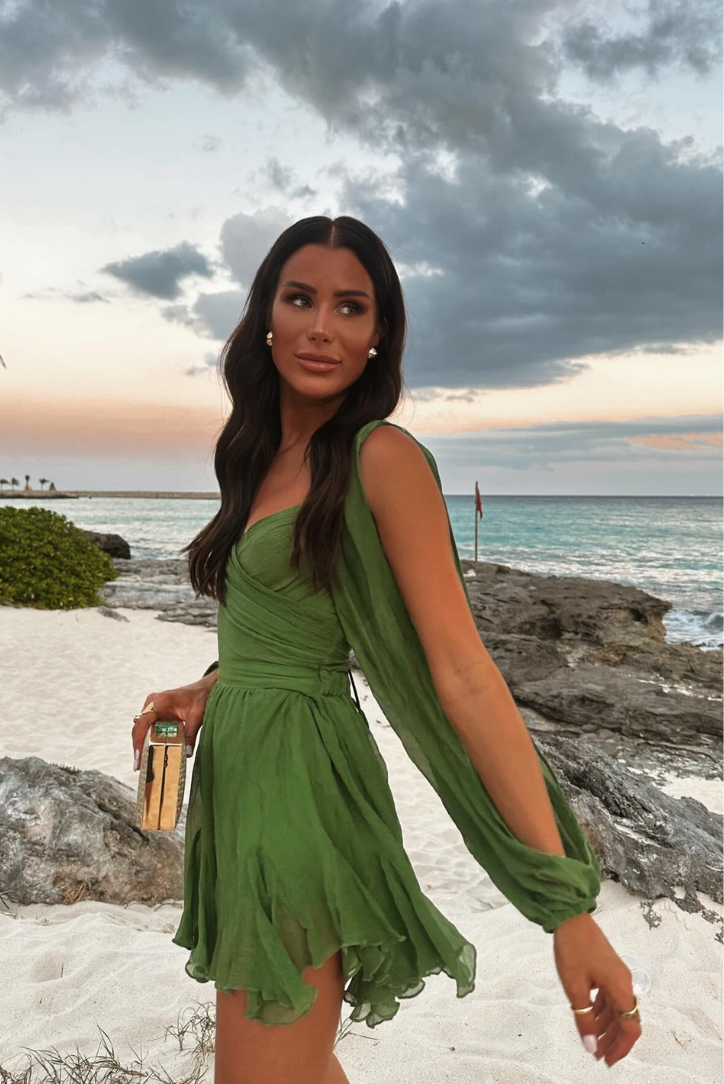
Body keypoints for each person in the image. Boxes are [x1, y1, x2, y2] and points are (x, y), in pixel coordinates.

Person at [130, 215, 642, 1084]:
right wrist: (211, 685)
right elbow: (295, 623)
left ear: (379, 335)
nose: (321, 327)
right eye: (301, 299)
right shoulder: (258, 454)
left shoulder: (382, 457)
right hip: (240, 778)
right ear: (266, 316)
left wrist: (567, 908)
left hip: (302, 788)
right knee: (295, 1065)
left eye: (351, 307)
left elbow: (464, 673)